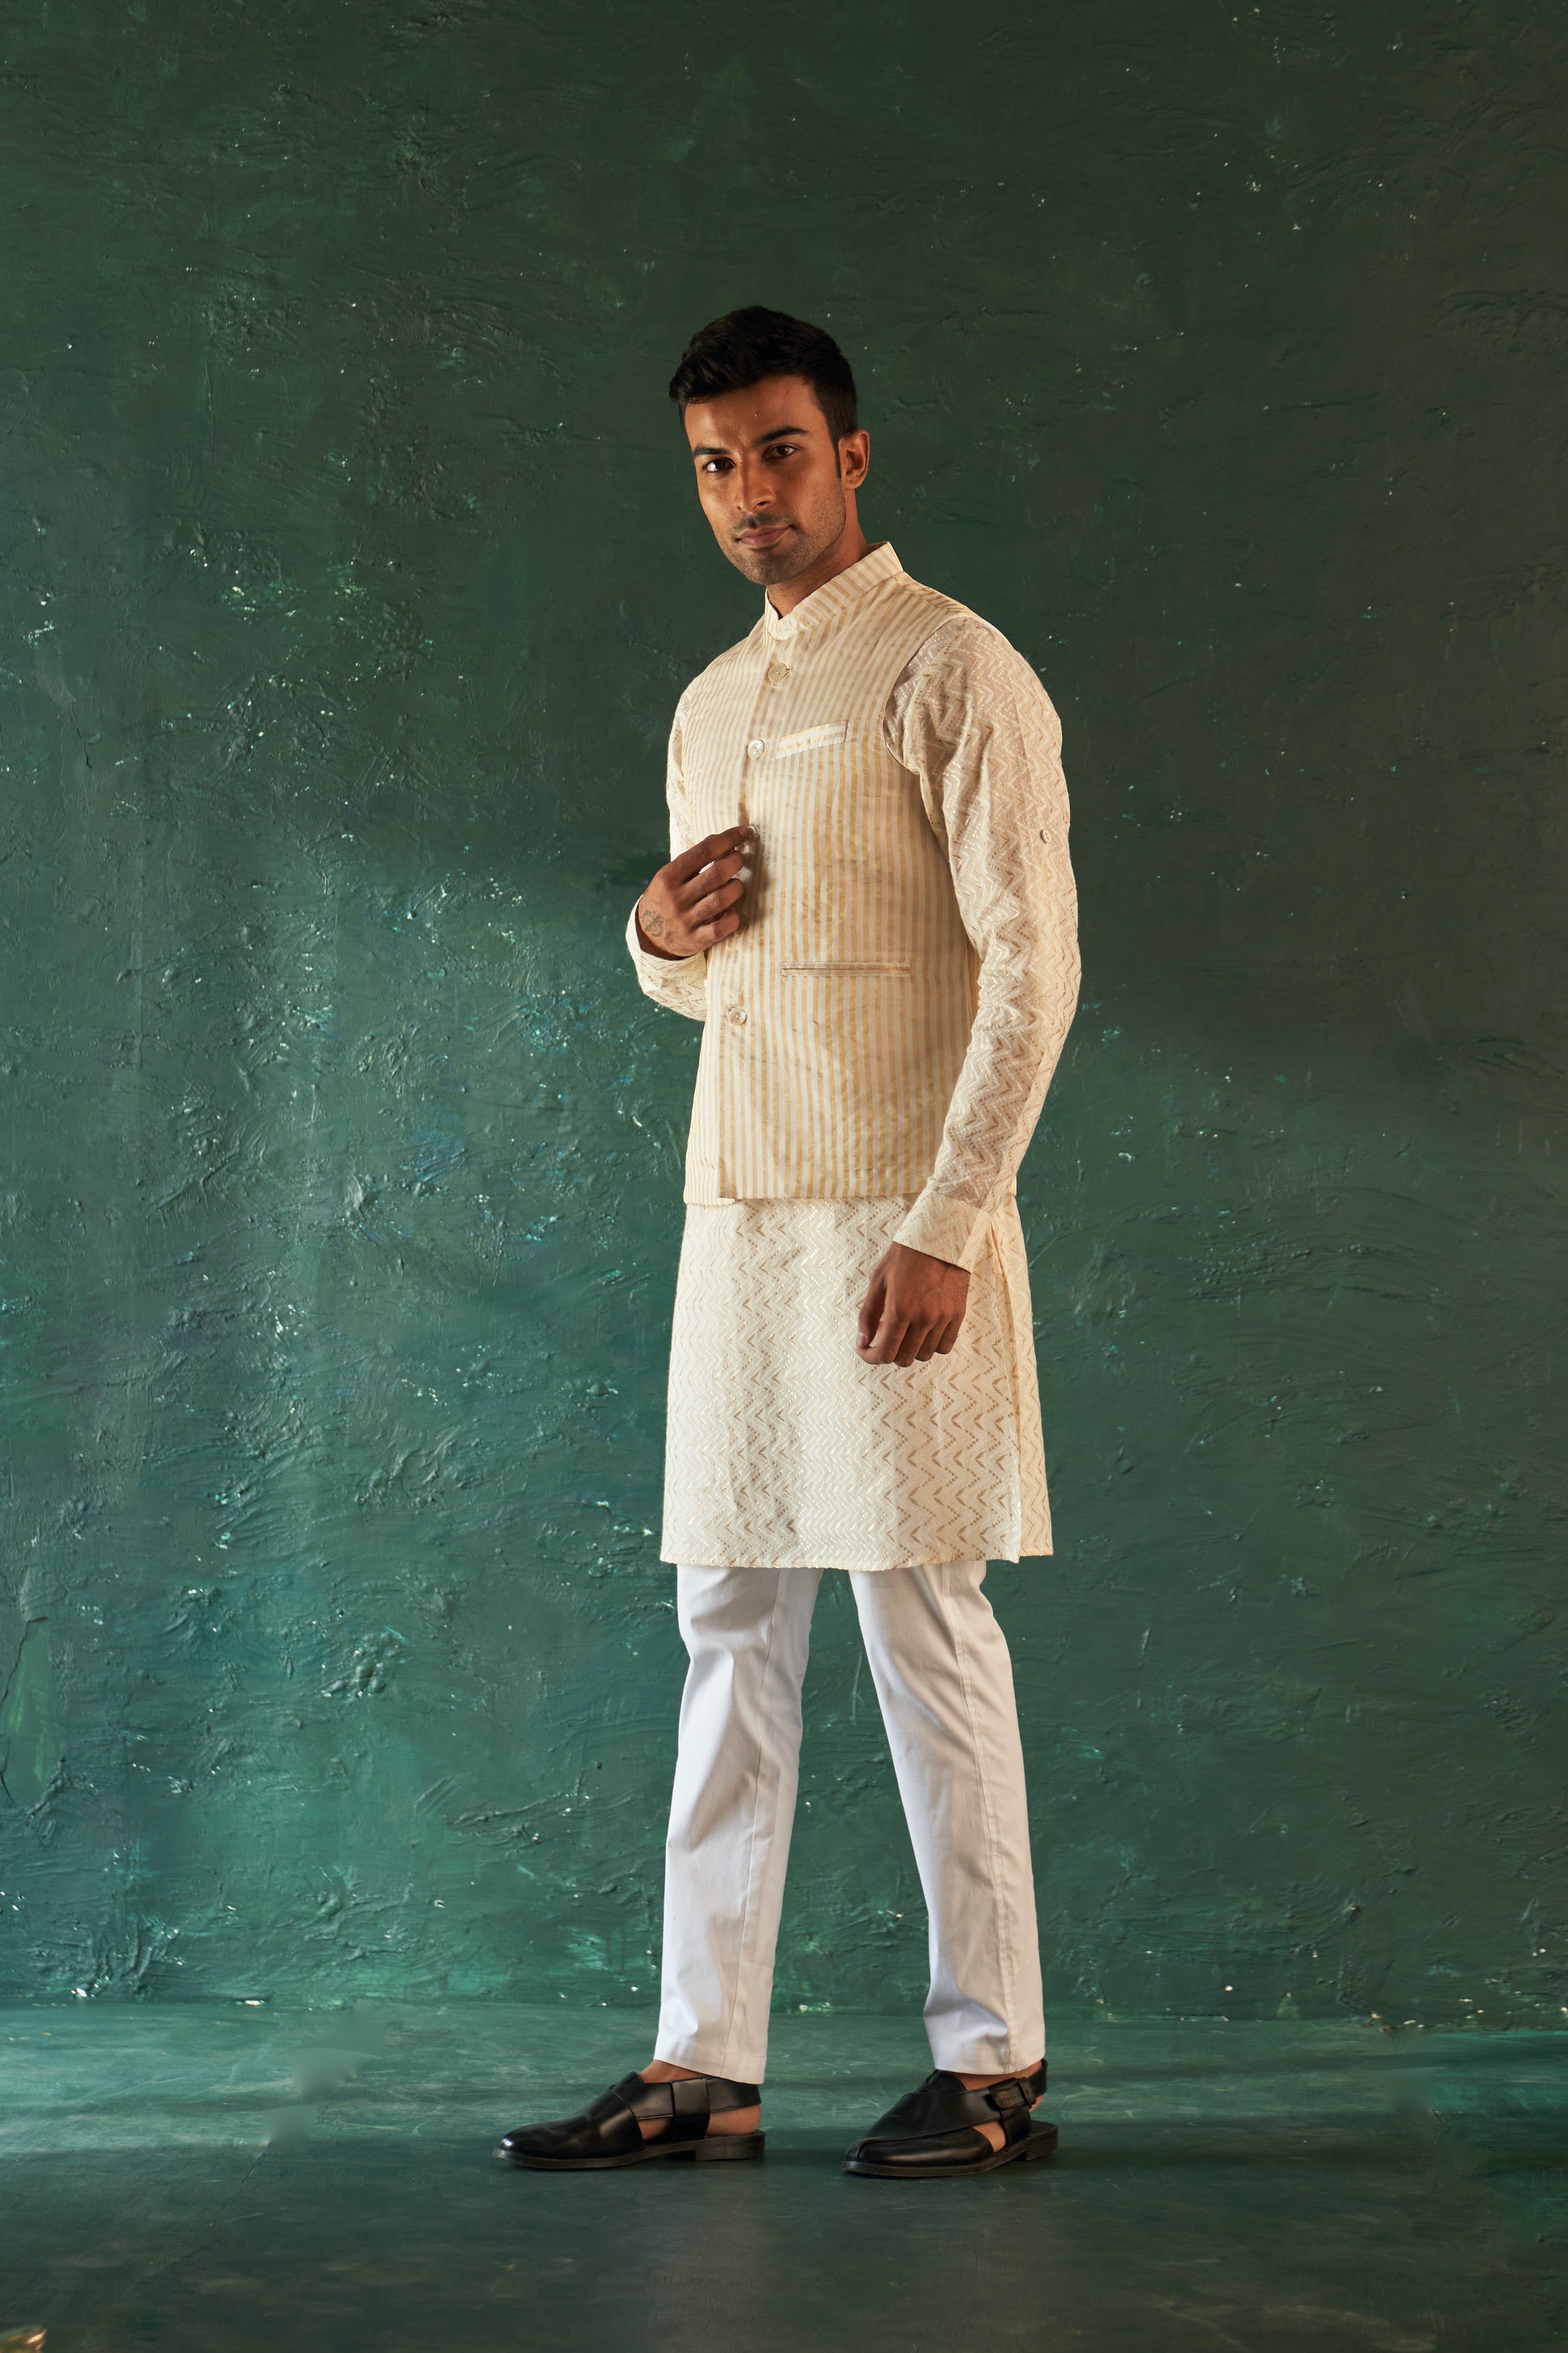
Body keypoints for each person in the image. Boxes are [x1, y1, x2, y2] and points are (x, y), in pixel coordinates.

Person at [498, 307, 1079, 2181]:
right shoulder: (706, 702)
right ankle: (703, 2065)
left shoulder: (951, 666)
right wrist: (654, 936)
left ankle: (991, 2064)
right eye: (713, 465)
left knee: (922, 1618)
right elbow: (725, 980)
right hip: (735, 1220)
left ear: (850, 455)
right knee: (726, 1624)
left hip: (900, 1220)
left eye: (776, 450)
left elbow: (1033, 970)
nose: (748, 492)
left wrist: (947, 1221)